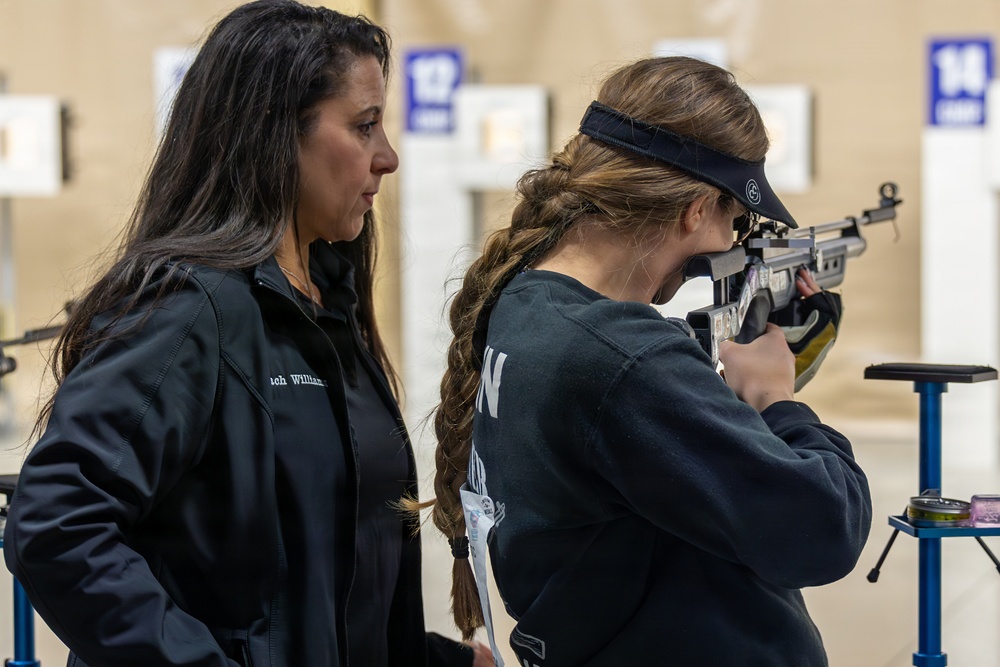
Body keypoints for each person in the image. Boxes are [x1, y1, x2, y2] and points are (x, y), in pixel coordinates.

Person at [3, 2, 491, 666]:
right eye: (364, 126)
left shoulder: (330, 305)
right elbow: (56, 524)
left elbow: (328, 585)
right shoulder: (188, 308)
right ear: (275, 135)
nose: (388, 157)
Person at [427, 56, 872, 666]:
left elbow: (639, 414)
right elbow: (824, 529)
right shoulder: (622, 365)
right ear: (695, 209)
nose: (729, 245)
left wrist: (729, 354)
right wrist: (778, 399)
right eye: (735, 222)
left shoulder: (526, 305)